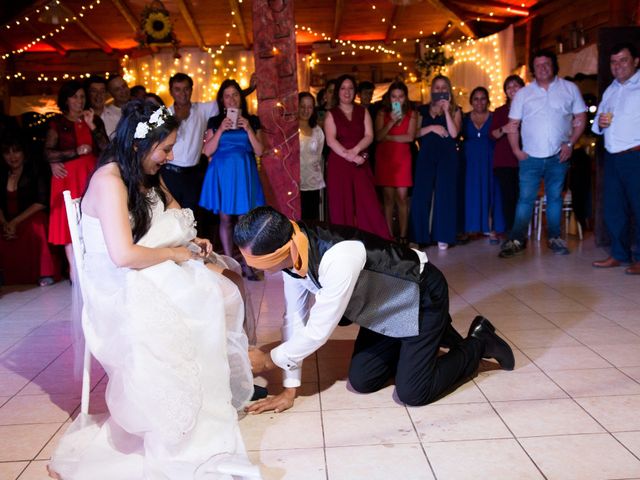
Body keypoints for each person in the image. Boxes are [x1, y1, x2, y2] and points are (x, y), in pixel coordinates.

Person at [48, 100, 261, 479]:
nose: (171, 156)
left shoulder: (144, 173)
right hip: (118, 283)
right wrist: (177, 252)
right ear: (138, 145)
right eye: (165, 149)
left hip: (144, 264)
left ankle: (211, 400)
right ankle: (181, 416)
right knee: (198, 300)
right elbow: (124, 255)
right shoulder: (109, 181)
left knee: (216, 287)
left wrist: (192, 239)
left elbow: (171, 208)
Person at [233, 206, 514, 414]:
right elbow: (295, 320)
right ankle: (427, 340)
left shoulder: (337, 256)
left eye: (257, 264)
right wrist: (289, 388)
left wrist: (269, 360)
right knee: (363, 380)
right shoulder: (292, 257)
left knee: (414, 392)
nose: (254, 270)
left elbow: (318, 331)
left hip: (418, 297)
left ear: (282, 249)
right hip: (380, 308)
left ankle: (478, 342)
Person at [499, 50, 587, 258]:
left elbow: (581, 117)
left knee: (555, 198)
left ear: (554, 65)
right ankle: (517, 239)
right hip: (530, 157)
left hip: (559, 155)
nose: (542, 68)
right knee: (525, 199)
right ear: (533, 70)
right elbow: (513, 126)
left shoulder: (569, 89)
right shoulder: (523, 94)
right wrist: (516, 151)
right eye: (538, 65)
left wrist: (570, 143)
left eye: (546, 64)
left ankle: (555, 238)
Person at [199, 79, 265, 278]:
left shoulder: (252, 120)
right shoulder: (214, 121)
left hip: (244, 171)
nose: (231, 99)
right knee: (225, 218)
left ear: (241, 98)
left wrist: (248, 130)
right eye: (227, 96)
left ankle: (248, 263)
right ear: (222, 100)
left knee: (245, 220)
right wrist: (220, 130)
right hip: (223, 173)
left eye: (235, 95)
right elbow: (206, 150)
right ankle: (230, 264)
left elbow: (260, 151)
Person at [45, 80, 108, 281]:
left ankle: (95, 269)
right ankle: (74, 270)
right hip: (67, 178)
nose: (79, 101)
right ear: (66, 99)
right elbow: (48, 152)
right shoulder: (57, 123)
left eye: (82, 96)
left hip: (90, 175)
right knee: (68, 223)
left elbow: (107, 149)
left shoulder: (94, 119)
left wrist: (92, 126)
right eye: (74, 97)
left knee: (93, 220)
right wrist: (75, 152)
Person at [591, 43, 640, 275]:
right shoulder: (610, 90)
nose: (618, 66)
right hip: (612, 157)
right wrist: (599, 123)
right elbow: (596, 123)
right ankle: (620, 254)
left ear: (636, 61)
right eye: (614, 62)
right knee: (613, 209)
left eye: (623, 60)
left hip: (636, 155)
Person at [324, 74, 390, 239]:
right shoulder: (331, 114)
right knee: (341, 205)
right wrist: (350, 156)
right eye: (343, 88)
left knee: (369, 204)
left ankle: (376, 241)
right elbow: (331, 141)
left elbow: (369, 135)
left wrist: (356, 151)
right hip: (339, 164)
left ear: (355, 91)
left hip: (361, 161)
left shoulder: (363, 111)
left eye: (350, 88)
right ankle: (344, 243)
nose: (347, 92)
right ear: (338, 91)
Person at [410, 74, 462, 250]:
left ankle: (443, 235)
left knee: (445, 194)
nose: (440, 91)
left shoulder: (456, 110)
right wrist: (433, 127)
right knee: (421, 195)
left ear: (449, 90)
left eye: (444, 88)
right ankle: (419, 236)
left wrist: (446, 111)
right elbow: (414, 133)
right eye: (437, 87)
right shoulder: (421, 110)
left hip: (447, 156)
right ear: (432, 90)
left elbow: (454, 134)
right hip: (425, 155)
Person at [0, 137, 58, 286]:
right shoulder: (2, 173)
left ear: (24, 153)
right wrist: (5, 223)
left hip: (29, 215)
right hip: (7, 219)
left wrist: (15, 222)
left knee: (37, 224)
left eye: (16, 151)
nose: (12, 156)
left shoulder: (35, 170)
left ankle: (45, 272)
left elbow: (42, 201)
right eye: (7, 152)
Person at [163, 72, 218, 211]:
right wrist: (178, 119)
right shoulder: (164, 114)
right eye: (178, 89)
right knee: (170, 214)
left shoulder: (202, 109)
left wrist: (250, 89)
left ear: (192, 90)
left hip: (193, 174)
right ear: (171, 92)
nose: (183, 93)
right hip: (169, 173)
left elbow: (226, 99)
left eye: (186, 88)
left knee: (191, 216)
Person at [374, 81, 416, 243]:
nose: (397, 100)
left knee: (402, 198)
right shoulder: (382, 114)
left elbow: (410, 137)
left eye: (400, 96)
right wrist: (391, 121)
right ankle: (390, 237)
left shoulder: (412, 114)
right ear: (389, 98)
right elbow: (378, 137)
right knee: (388, 199)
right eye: (394, 96)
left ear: (405, 98)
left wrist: (389, 137)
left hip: (403, 159)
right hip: (386, 158)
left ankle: (403, 236)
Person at [463, 86, 504, 242]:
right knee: (471, 192)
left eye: (483, 98)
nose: (479, 102)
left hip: (490, 159)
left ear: (488, 100)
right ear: (471, 101)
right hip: (470, 161)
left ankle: (492, 228)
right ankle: (471, 227)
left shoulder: (495, 117)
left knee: (492, 192)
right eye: (476, 98)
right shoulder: (465, 118)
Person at [490, 75, 526, 238]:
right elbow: (492, 135)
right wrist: (504, 128)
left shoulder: (529, 109)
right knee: (508, 198)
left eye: (515, 86)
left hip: (525, 159)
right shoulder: (500, 111)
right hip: (504, 161)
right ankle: (512, 232)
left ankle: (521, 231)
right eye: (509, 87)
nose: (512, 89)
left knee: (523, 197)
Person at [298, 92, 325, 221]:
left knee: (311, 220)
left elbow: (318, 156)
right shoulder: (290, 130)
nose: (305, 110)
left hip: (312, 182)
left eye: (309, 107)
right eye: (302, 106)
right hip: (295, 183)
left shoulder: (317, 131)